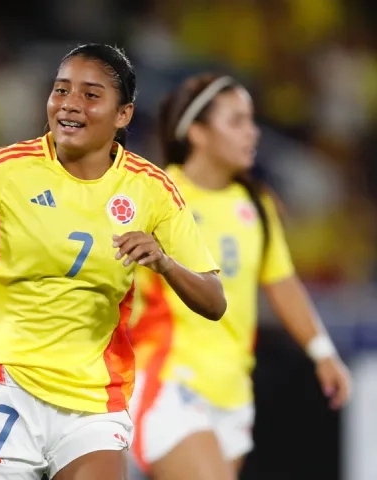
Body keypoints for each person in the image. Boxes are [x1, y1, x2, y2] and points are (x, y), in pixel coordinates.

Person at [0, 44, 227, 480]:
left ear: (124, 115)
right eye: (61, 90)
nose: (70, 104)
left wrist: (166, 263)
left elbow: (214, 301)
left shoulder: (152, 190)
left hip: (93, 399)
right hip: (5, 382)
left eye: (91, 95)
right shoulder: (5, 171)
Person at [126, 74, 353, 480]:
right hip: (167, 381)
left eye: (252, 120)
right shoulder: (154, 196)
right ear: (197, 132)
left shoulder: (256, 204)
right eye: (237, 121)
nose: (253, 133)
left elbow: (281, 282)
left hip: (232, 391)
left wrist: (322, 352)